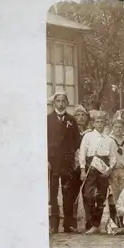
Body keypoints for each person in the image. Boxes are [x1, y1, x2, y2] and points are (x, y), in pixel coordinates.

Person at [47, 90, 81, 234]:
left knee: (68, 192)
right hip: (53, 161)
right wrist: (46, 159)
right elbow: (44, 141)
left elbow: (76, 141)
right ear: (54, 103)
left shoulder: (72, 120)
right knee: (53, 192)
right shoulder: (47, 119)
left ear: (67, 103)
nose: (61, 104)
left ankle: (68, 224)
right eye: (58, 101)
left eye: (63, 101)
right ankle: (54, 223)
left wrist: (74, 158)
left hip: (67, 162)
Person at [79, 111, 117, 234]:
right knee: (88, 195)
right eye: (97, 122)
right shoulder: (88, 136)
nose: (100, 124)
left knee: (101, 196)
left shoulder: (110, 140)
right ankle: (90, 222)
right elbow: (82, 154)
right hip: (91, 167)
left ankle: (96, 224)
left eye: (102, 122)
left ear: (105, 124)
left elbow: (113, 157)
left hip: (104, 168)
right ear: (93, 123)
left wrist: (109, 170)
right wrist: (83, 170)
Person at [70, 104, 91, 231]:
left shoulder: (90, 133)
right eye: (78, 115)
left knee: (87, 194)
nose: (81, 117)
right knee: (72, 194)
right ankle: (72, 222)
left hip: (86, 166)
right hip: (73, 166)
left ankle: (89, 223)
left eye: (83, 115)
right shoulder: (71, 131)